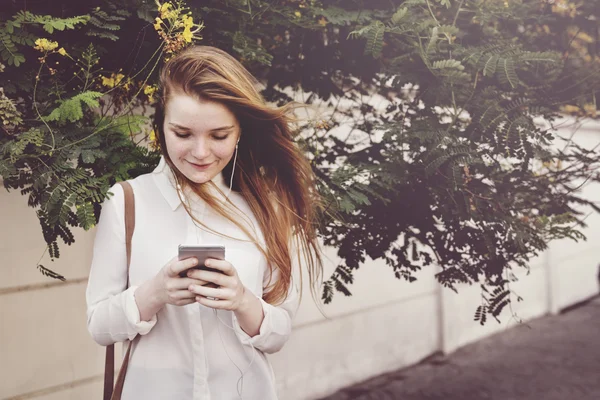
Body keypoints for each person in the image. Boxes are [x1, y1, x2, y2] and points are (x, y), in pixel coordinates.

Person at [86, 45, 323, 400]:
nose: (200, 152)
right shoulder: (126, 201)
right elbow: (99, 327)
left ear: (239, 131)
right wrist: (154, 294)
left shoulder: (263, 206)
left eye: (218, 135)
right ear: (161, 127)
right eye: (183, 134)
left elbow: (279, 333)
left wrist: (243, 301)